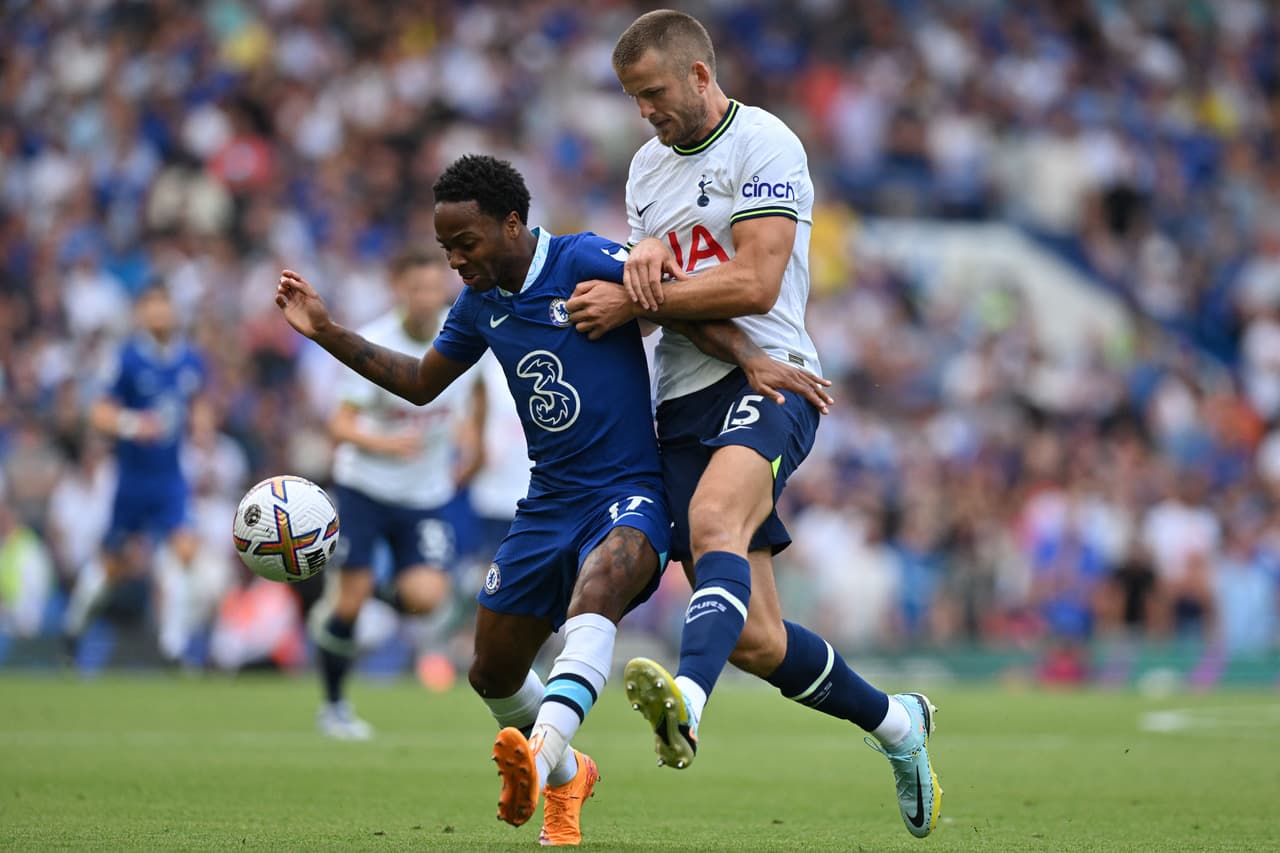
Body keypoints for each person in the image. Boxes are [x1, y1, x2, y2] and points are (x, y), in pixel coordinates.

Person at [275, 154, 829, 846]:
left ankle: (537, 761)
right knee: (491, 673)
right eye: (446, 247)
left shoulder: (584, 259)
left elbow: (676, 307)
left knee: (597, 596)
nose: (455, 261)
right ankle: (570, 772)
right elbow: (420, 381)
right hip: (547, 505)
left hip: (628, 494)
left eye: (465, 243)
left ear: (511, 223)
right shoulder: (478, 305)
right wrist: (326, 330)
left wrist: (749, 357)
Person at [564, 9, 942, 838]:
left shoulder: (764, 143)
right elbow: (670, 301)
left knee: (712, 520)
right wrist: (640, 291)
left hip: (773, 377)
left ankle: (688, 705)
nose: (645, 112)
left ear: (699, 74)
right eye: (633, 99)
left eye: (653, 93)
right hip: (682, 397)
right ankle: (899, 723)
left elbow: (755, 282)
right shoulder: (646, 169)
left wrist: (638, 295)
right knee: (757, 638)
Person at [308, 249, 484, 740]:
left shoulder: (460, 335)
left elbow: (477, 395)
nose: (427, 297)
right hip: (365, 485)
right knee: (349, 605)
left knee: (427, 598)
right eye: (416, 288)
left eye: (434, 288)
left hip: (425, 493)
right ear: (398, 289)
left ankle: (372, 590)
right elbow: (339, 425)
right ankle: (334, 706)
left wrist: (474, 441)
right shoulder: (375, 341)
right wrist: (387, 444)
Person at [62, 283, 209, 666]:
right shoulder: (125, 359)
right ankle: (74, 628)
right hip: (131, 479)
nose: (159, 314)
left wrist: (203, 429)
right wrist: (132, 424)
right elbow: (98, 413)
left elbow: (199, 403)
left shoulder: (190, 359)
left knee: (184, 551)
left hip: (170, 478)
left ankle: (173, 648)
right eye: (152, 306)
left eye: (164, 305)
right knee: (113, 563)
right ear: (142, 313)